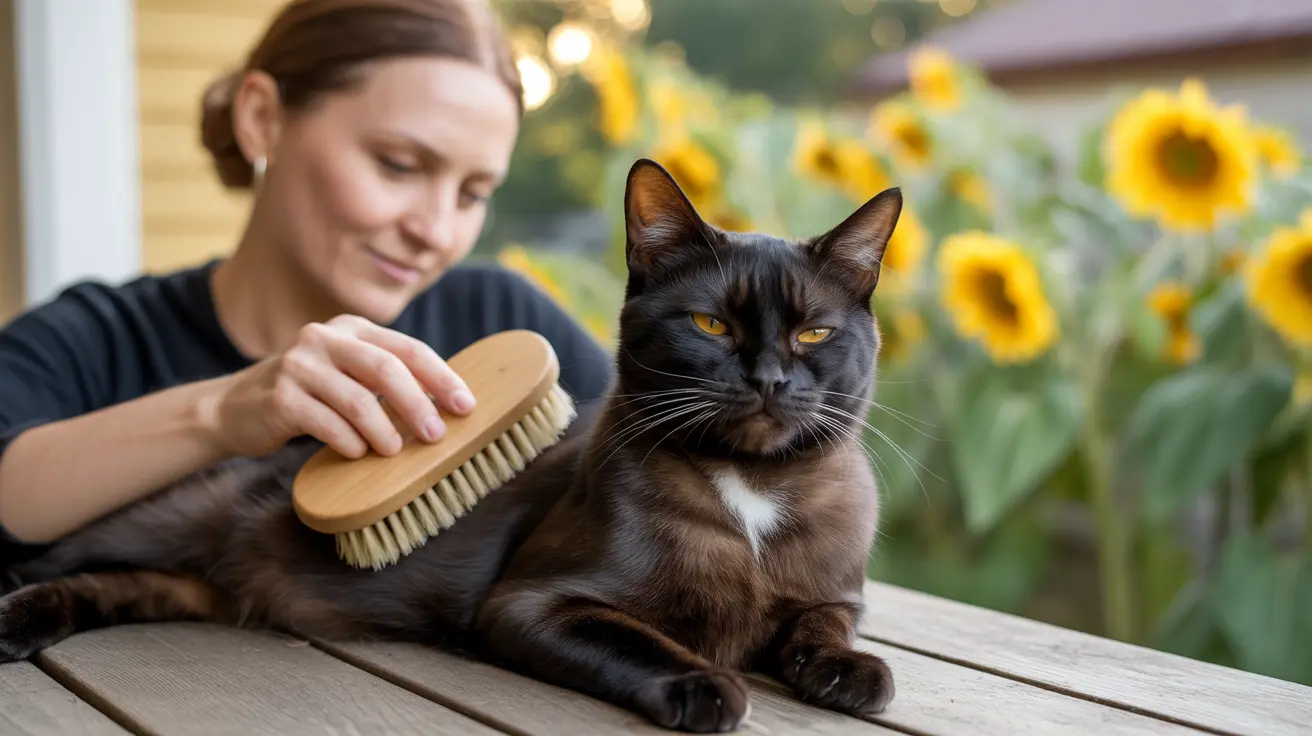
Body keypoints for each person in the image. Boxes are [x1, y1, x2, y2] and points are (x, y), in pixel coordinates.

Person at [0, 0, 615, 562]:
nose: (435, 230)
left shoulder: (502, 321)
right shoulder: (98, 340)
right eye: (398, 165)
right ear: (262, 118)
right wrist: (220, 414)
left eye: (472, 194)